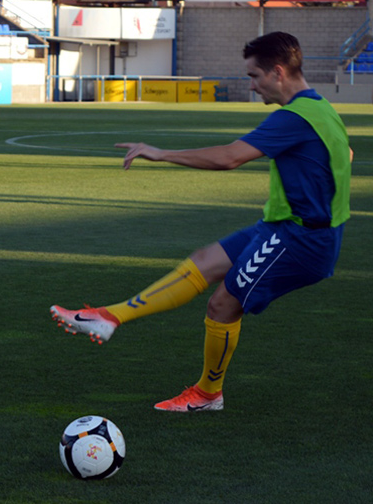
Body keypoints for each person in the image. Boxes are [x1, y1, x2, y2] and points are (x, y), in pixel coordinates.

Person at [51, 31, 351, 412]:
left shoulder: (293, 118)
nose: (252, 85)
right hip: (283, 226)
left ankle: (208, 394)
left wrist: (161, 154)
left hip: (303, 239)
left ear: (277, 72)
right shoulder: (321, 108)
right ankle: (111, 317)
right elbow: (347, 153)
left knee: (222, 305)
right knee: (205, 261)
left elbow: (229, 157)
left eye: (254, 76)